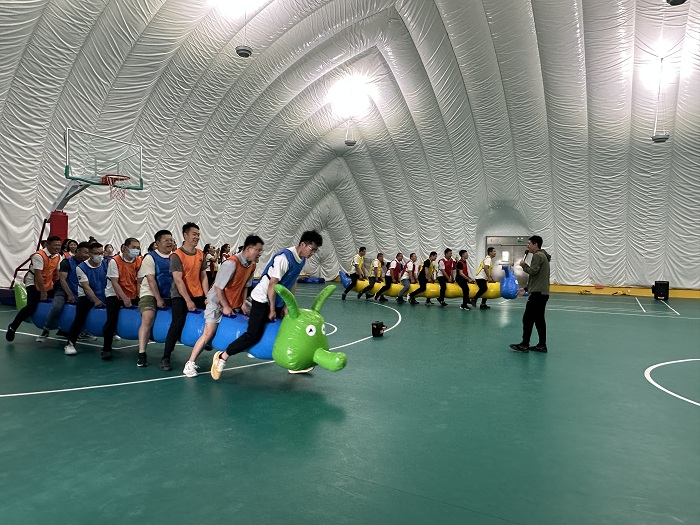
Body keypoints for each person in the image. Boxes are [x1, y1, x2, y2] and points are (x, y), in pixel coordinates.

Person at [210, 230, 323, 380]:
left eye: (315, 250)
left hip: (278, 299)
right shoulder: (284, 258)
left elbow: (292, 282)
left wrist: (286, 305)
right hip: (262, 299)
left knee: (287, 331)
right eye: (312, 249)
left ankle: (294, 365)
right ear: (303, 244)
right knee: (253, 334)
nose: (312, 253)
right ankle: (223, 357)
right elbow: (272, 284)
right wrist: (271, 309)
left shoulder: (301, 260)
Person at [183, 235, 264, 377]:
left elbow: (246, 286)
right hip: (216, 302)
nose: (260, 253)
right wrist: (225, 306)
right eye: (258, 250)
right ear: (248, 249)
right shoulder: (231, 263)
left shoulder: (251, 265)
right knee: (208, 333)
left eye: (261, 251)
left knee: (254, 321)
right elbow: (218, 288)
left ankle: (250, 347)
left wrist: (243, 303)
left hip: (233, 302)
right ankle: (190, 363)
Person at [160, 223, 208, 371]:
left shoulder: (201, 254)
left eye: (198, 235)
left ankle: (205, 343)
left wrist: (207, 297)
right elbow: (178, 280)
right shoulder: (177, 255)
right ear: (185, 235)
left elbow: (204, 277)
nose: (197, 237)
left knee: (211, 317)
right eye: (194, 234)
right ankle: (166, 357)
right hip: (180, 295)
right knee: (177, 323)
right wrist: (188, 300)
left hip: (197, 293)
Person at [6, 236, 62, 342]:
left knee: (60, 300)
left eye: (59, 245)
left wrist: (58, 285)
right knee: (31, 307)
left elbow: (58, 272)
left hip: (48, 283)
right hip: (33, 283)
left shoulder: (58, 256)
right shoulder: (39, 256)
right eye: (55, 245)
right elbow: (38, 275)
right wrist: (43, 292)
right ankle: (13, 327)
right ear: (48, 245)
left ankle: (61, 329)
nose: (58, 247)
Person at [36, 241, 91, 342]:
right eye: (85, 252)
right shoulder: (66, 262)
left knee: (86, 308)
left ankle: (83, 331)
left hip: (79, 291)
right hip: (63, 290)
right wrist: (69, 295)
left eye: (89, 253)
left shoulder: (88, 264)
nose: (87, 255)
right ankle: (46, 329)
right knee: (57, 307)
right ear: (78, 251)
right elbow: (62, 280)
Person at [136, 230, 174, 367]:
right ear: (157, 243)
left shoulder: (175, 257)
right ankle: (142, 353)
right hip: (150, 293)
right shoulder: (150, 257)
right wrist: (158, 299)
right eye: (166, 240)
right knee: (148, 317)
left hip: (170, 293)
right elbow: (151, 280)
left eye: (171, 240)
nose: (170, 243)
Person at [100, 238, 141, 360]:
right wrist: (124, 299)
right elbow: (115, 282)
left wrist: (139, 297)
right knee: (111, 320)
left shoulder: (139, 261)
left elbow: (139, 281)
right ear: (125, 248)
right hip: (114, 293)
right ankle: (106, 348)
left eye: (138, 248)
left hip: (131, 292)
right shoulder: (114, 261)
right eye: (133, 247)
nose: (136, 250)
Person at [64, 242, 109, 355]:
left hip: (103, 293)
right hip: (86, 296)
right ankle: (70, 344)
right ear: (90, 254)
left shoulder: (105, 264)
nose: (100, 256)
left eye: (101, 253)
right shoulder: (81, 268)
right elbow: (86, 287)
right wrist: (96, 300)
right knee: (79, 318)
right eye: (96, 253)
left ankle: (109, 342)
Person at [510, 236, 551, 353]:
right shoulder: (543, 256)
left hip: (537, 294)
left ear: (535, 244)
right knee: (539, 319)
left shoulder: (537, 256)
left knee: (528, 319)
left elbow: (533, 271)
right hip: (542, 292)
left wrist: (523, 265)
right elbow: (537, 277)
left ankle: (525, 344)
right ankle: (542, 345)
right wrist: (526, 288)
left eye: (529, 244)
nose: (527, 246)